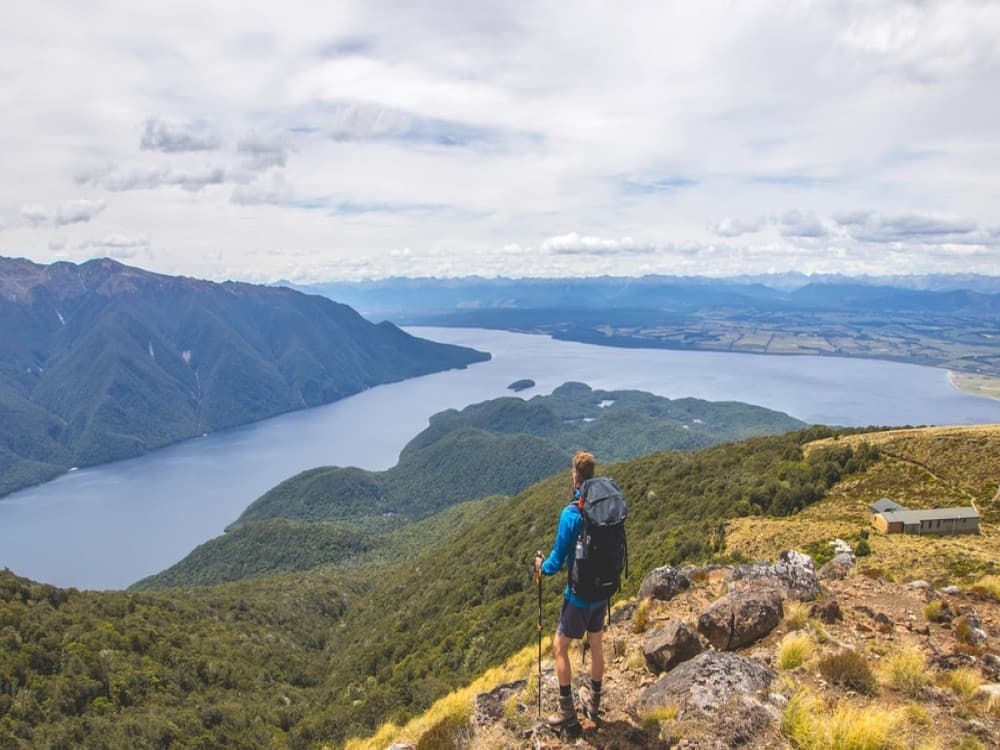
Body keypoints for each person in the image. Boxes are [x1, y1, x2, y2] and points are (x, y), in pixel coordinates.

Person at [535, 450, 605, 728]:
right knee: (596, 643)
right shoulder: (603, 509)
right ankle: (594, 703)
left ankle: (566, 713)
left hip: (578, 595)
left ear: (576, 476)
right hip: (603, 591)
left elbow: (557, 558)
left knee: (559, 647)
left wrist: (541, 567)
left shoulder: (571, 514)